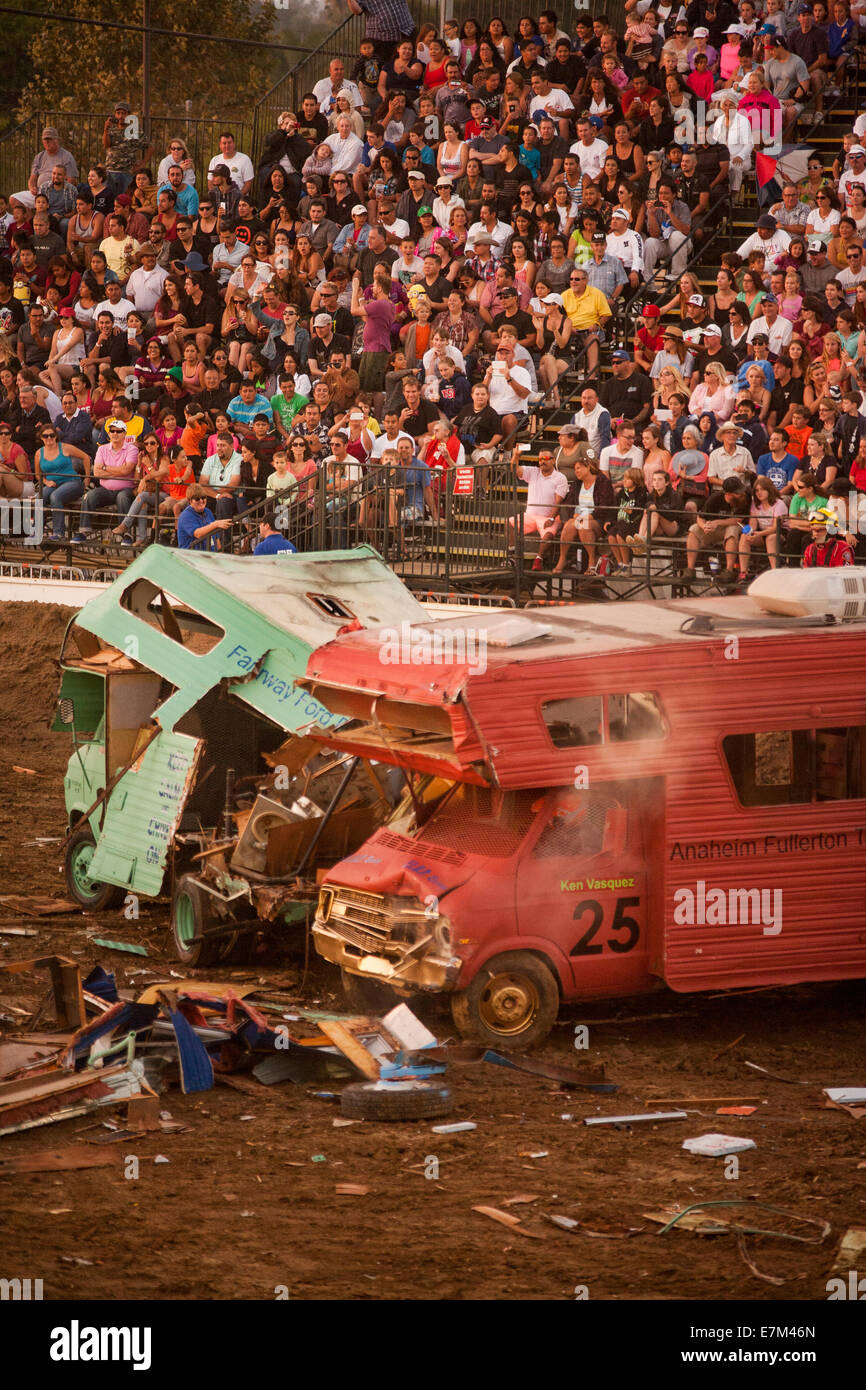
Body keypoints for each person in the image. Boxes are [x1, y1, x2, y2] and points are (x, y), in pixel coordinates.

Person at [509, 443, 569, 569]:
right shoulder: (533, 472)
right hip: (530, 516)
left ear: (553, 460)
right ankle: (512, 555)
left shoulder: (560, 478)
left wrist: (551, 518)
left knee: (548, 536)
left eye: (546, 459)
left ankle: (539, 559)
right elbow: (515, 469)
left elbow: (558, 502)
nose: (542, 462)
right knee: (509, 523)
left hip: (547, 516)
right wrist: (516, 456)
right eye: (540, 459)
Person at [177, 485, 234, 549]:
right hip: (191, 555)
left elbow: (216, 537)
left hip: (209, 554)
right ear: (190, 501)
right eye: (197, 499)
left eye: (203, 497)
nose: (201, 501)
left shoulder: (207, 511)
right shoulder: (185, 516)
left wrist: (219, 552)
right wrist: (215, 524)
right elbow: (197, 534)